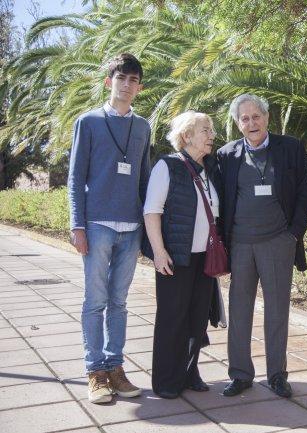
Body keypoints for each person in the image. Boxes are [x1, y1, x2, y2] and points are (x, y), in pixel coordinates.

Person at [217, 94, 307, 398]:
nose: (251, 123)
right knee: (240, 309)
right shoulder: (226, 155)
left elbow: (304, 194)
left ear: (267, 117)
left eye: (256, 116)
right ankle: (240, 374)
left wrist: (293, 234)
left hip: (278, 242)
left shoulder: (290, 148)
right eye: (244, 119)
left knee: (277, 311)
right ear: (237, 124)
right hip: (241, 244)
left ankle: (277, 374)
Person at [68, 53, 150, 404]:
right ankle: (95, 372)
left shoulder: (143, 126)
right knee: (95, 301)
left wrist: (149, 228)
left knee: (119, 302)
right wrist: (77, 224)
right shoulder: (88, 122)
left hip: (131, 226)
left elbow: (145, 179)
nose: (127, 85)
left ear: (139, 87)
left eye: (133, 80)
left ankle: (115, 369)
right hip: (98, 224)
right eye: (121, 78)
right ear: (109, 82)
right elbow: (75, 177)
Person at [142, 111, 221, 399]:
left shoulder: (210, 168)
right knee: (172, 319)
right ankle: (166, 380)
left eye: (211, 129)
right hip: (175, 257)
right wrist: (159, 253)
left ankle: (190, 372)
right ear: (187, 136)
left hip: (205, 258)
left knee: (197, 320)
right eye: (205, 130)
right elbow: (152, 211)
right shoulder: (168, 166)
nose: (211, 134)